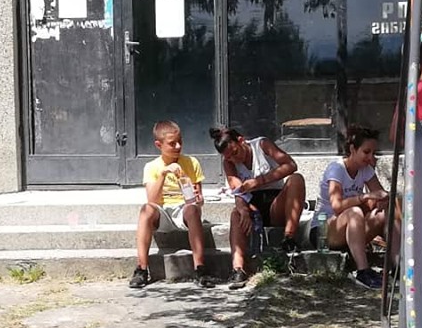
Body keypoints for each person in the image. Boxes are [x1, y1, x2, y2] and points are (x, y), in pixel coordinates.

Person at [210, 125, 306, 287]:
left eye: (235, 153)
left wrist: (260, 181)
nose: (234, 159)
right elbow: (237, 191)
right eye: (229, 158)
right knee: (235, 214)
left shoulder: (261, 145)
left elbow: (290, 165)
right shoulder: (229, 163)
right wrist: (243, 210)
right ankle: (238, 269)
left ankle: (289, 237)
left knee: (296, 179)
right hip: (252, 206)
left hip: (276, 202)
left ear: (241, 141)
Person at [131, 120, 213, 289]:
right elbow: (152, 200)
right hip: (162, 212)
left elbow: (199, 200)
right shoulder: (151, 167)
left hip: (184, 209)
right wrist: (163, 174)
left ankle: (200, 268)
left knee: (192, 210)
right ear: (158, 145)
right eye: (172, 143)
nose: (178, 146)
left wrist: (197, 198)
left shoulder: (191, 162)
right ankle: (141, 269)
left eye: (180, 141)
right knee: (145, 210)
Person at [319, 124, 388, 290]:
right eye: (366, 152)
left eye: (374, 153)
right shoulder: (336, 168)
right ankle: (363, 271)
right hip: (324, 229)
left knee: (384, 214)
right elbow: (337, 206)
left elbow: (380, 195)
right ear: (352, 149)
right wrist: (364, 197)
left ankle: (395, 264)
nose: (370, 157)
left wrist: (383, 200)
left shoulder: (366, 170)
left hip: (350, 229)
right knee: (355, 212)